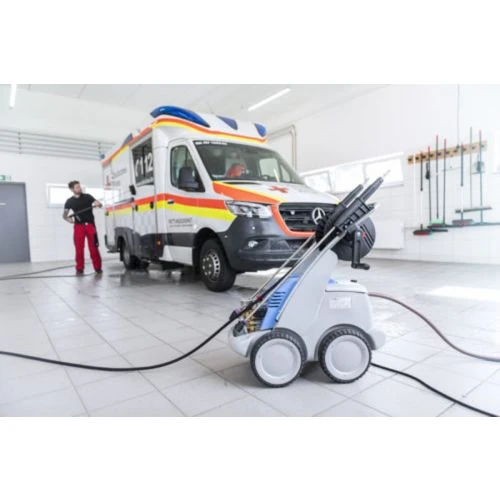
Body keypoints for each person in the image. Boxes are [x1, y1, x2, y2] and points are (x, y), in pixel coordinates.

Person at [63, 181, 103, 275]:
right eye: (77, 187)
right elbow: (64, 216)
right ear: (72, 189)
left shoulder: (88, 197)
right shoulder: (69, 201)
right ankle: (79, 268)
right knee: (79, 248)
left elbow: (99, 204)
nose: (79, 188)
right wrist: (69, 219)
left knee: (93, 247)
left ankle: (98, 268)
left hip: (90, 225)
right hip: (78, 227)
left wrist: (99, 204)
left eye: (79, 186)